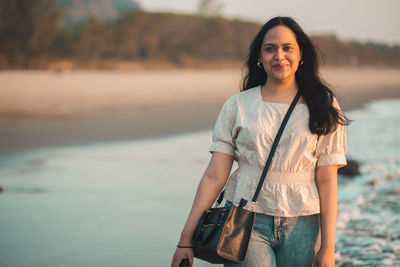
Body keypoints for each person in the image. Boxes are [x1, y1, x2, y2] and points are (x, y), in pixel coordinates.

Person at [171, 16, 349, 267]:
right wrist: (185, 238)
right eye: (270, 49)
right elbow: (214, 176)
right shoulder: (238, 106)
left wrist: (328, 248)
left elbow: (328, 179)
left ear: (301, 55)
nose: (279, 56)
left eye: (288, 48)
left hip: (305, 224)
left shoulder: (323, 105)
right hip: (244, 221)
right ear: (259, 57)